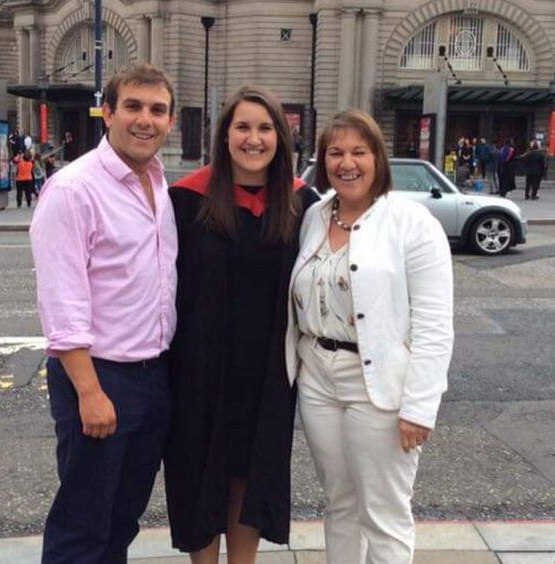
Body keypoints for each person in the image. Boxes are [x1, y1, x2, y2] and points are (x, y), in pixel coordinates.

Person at [286, 109, 454, 564]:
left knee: (384, 513)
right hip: (318, 379)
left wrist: (420, 407)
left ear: (378, 158)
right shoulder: (316, 216)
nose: (347, 163)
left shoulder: (412, 223)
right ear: (323, 162)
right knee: (339, 503)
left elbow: (435, 324)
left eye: (359, 152)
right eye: (335, 153)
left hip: (379, 387)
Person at [30, 62, 177, 564]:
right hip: (99, 378)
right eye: (133, 106)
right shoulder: (74, 190)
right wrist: (89, 392)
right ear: (108, 114)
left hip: (153, 377)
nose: (145, 120)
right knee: (82, 526)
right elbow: (62, 301)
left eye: (157, 110)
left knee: (121, 521)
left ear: (170, 121)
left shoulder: (158, 184)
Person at [164, 85, 318, 563]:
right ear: (224, 136)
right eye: (243, 127)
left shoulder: (302, 204)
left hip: (267, 369)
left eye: (266, 128)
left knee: (248, 476)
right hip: (197, 367)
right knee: (198, 473)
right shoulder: (185, 201)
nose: (254, 138)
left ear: (282, 137)